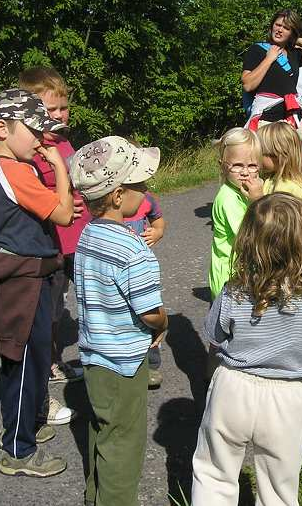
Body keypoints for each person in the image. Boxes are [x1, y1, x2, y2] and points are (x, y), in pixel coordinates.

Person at [191, 193, 302, 506]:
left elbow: (215, 336)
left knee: (214, 473)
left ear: (248, 242)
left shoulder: (235, 291)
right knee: (279, 488)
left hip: (233, 387)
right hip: (287, 396)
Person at [0, 88, 73, 477]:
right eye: (34, 131)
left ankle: (27, 422)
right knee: (22, 363)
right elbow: (64, 214)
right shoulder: (15, 169)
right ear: (2, 128)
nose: (40, 140)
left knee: (29, 358)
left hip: (23, 270)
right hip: (24, 278)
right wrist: (61, 169)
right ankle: (17, 449)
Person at [71, 136, 167, 506]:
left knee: (102, 429)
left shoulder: (87, 236)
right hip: (125, 363)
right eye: (139, 185)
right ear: (116, 195)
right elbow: (149, 312)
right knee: (125, 444)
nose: (145, 192)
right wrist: (164, 324)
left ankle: (96, 496)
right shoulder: (133, 249)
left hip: (94, 357)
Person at [19, 66, 87, 427]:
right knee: (52, 306)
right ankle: (46, 363)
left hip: (79, 236)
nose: (60, 115)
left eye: (63, 107)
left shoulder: (62, 141)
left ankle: (58, 359)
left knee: (87, 298)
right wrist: (57, 201)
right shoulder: (32, 149)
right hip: (54, 242)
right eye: (52, 110)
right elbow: (31, 194)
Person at [242, 9, 302, 168]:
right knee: (266, 169)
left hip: (290, 121)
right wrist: (269, 58)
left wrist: (296, 39)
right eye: (277, 25)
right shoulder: (257, 50)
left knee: (292, 169)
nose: (279, 29)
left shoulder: (294, 54)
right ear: (271, 26)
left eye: (286, 28)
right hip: (265, 122)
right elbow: (248, 84)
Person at [208, 127, 262, 301]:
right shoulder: (228, 198)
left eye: (252, 166)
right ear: (223, 167)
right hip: (230, 279)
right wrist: (258, 202)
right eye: (238, 165)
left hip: (241, 274)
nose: (245, 172)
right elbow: (247, 238)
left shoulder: (242, 191)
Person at [123, 190, 166, 388]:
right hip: (117, 268)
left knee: (148, 312)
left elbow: (158, 221)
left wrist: (157, 232)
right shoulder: (109, 197)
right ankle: (123, 364)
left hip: (142, 269)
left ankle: (151, 365)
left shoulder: (146, 198)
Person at [255, 121, 302, 200]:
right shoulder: (272, 177)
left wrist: (256, 198)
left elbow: (271, 212)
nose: (256, 157)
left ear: (279, 156)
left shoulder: (287, 190)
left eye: (260, 153)